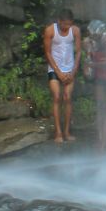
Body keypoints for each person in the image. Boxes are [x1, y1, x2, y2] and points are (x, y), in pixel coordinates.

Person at [43, 8, 81, 143]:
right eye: (65, 24)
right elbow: (47, 53)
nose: (67, 27)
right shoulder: (50, 30)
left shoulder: (75, 30)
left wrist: (73, 71)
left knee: (68, 97)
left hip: (69, 68)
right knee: (57, 97)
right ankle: (58, 132)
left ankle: (67, 131)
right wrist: (58, 72)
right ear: (59, 21)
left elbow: (78, 52)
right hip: (54, 68)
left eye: (69, 24)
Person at [85, 21, 106, 152]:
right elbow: (89, 59)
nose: (91, 36)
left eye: (93, 34)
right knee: (100, 107)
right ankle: (101, 138)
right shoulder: (89, 42)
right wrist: (88, 68)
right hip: (100, 78)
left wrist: (93, 66)